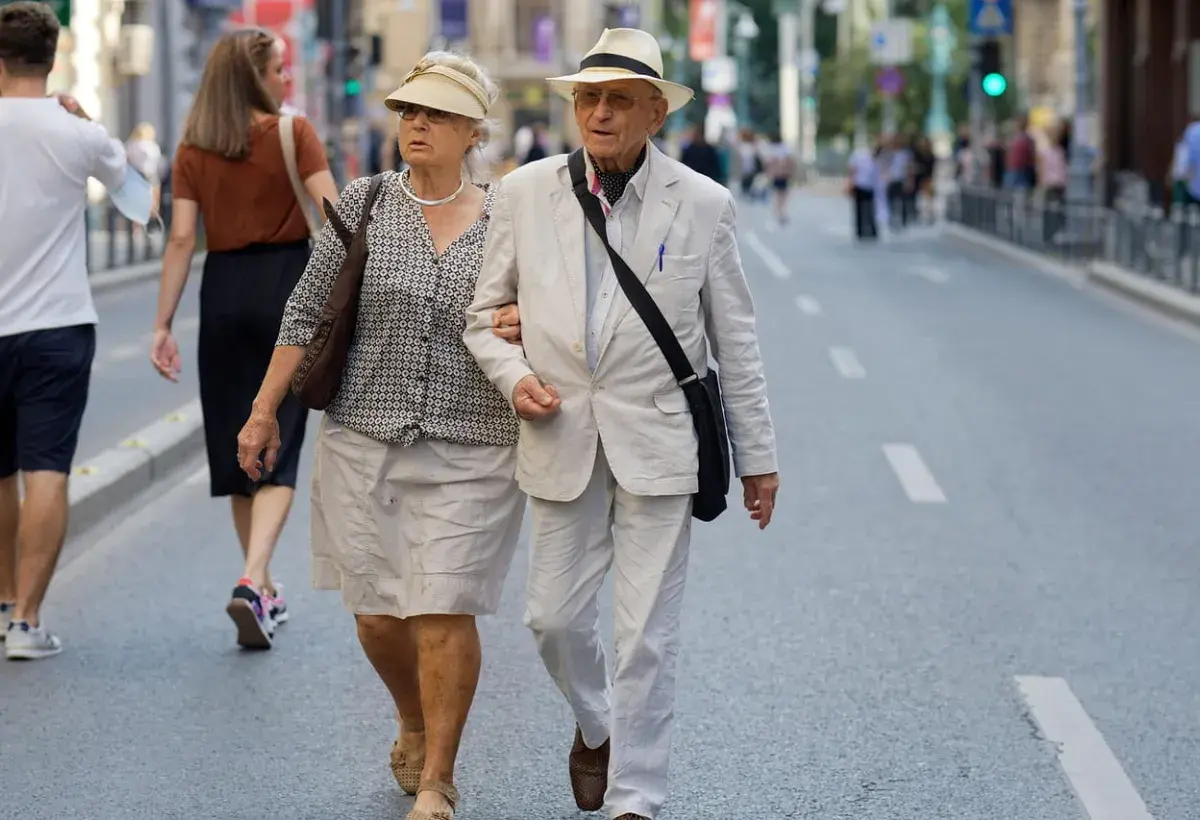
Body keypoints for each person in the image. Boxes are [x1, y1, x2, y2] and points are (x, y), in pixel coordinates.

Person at [464, 27, 780, 820]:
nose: (599, 114)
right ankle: (599, 725)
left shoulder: (704, 204)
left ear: (654, 114)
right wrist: (517, 376)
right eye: (588, 98)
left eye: (617, 101)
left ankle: (636, 795)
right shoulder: (524, 191)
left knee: (646, 634)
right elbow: (480, 317)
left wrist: (759, 458)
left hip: (661, 441)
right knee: (551, 619)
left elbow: (735, 339)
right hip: (558, 432)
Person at [236, 51, 523, 820]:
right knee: (376, 615)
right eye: (407, 111)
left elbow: (552, 314)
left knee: (442, 606)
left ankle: (437, 777)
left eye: (433, 113)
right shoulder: (362, 204)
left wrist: (525, 322)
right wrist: (264, 410)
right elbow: (304, 315)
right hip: (362, 433)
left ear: (472, 130)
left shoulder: (510, 219)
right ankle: (412, 715)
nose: (415, 124)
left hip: (474, 439)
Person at [150, 27, 338, 649]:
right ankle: (256, 578)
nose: (286, 79)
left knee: (240, 443)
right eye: (279, 69)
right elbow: (337, 218)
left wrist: (163, 324)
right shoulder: (294, 132)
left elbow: (181, 240)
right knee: (277, 441)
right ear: (256, 77)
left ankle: (260, 587)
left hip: (222, 292)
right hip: (289, 285)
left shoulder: (193, 149)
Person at [0, 1, 129, 659]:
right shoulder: (74, 129)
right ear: (52, 60)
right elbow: (138, 197)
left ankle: (1, 604)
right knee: (44, 468)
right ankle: (26, 622)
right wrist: (92, 127)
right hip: (57, 323)